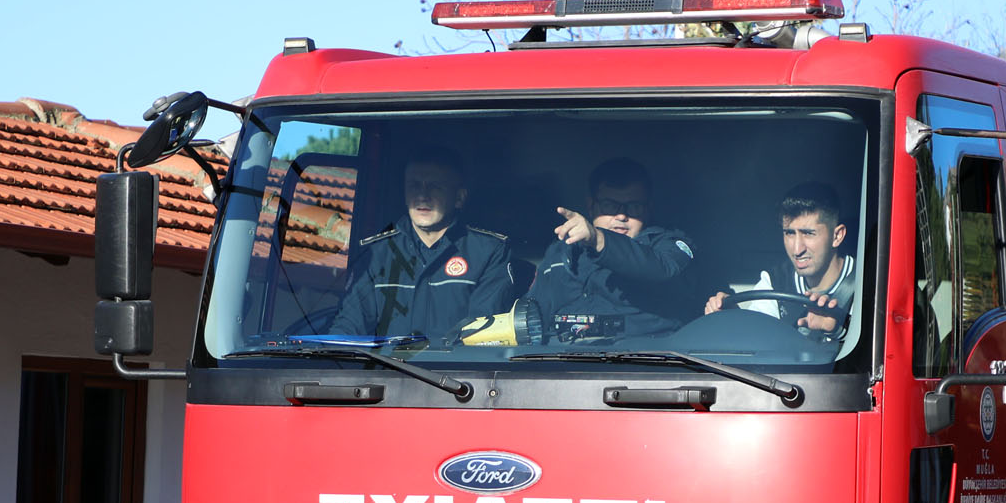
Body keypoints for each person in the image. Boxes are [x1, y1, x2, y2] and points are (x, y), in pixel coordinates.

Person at [328, 146, 515, 342]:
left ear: (459, 198)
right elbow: (347, 330)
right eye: (414, 186)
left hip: (454, 372)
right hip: (385, 372)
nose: (422, 196)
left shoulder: (489, 252)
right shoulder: (375, 254)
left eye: (435, 186)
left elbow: (481, 336)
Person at [527, 157, 698, 339]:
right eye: (609, 205)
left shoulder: (668, 244)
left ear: (648, 209)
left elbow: (662, 268)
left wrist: (599, 240)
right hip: (558, 361)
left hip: (644, 361)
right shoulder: (561, 251)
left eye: (634, 206)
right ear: (591, 206)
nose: (621, 215)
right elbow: (533, 316)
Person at [704, 180, 859, 337]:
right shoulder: (774, 281)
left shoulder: (867, 284)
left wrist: (837, 331)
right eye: (789, 233)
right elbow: (754, 337)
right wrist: (734, 318)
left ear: (837, 236)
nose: (797, 249)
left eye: (808, 233)